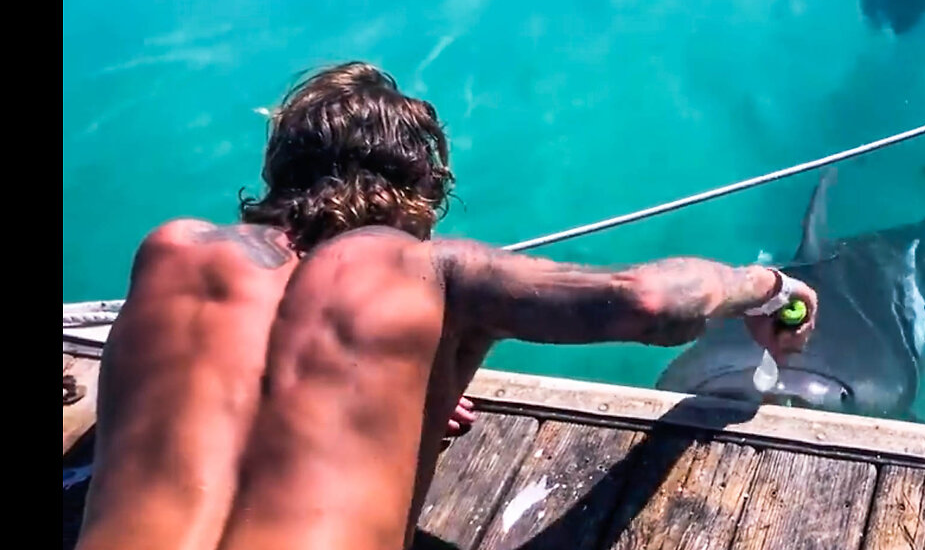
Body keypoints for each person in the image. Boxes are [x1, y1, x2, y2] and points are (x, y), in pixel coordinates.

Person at [75, 62, 818, 550]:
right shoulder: (433, 274)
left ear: (278, 168)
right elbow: (650, 301)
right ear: (423, 187)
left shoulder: (169, 250)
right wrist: (769, 287)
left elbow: (202, 402)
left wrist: (407, 394)